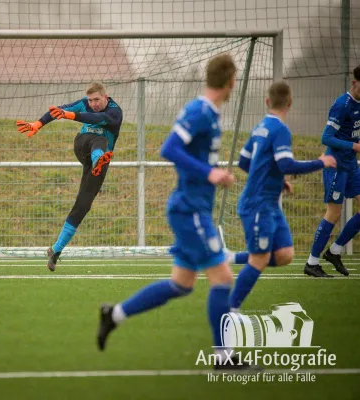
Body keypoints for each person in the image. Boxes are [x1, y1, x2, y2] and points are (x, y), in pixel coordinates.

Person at [96, 54, 246, 369]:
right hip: (190, 209)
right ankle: (224, 357)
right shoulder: (200, 111)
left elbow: (196, 157)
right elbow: (170, 149)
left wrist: (215, 172)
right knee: (222, 278)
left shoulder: (211, 113)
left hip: (193, 206)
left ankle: (115, 314)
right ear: (230, 80)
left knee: (181, 284)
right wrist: (209, 174)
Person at [228, 81, 336, 310]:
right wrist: (321, 162)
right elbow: (285, 163)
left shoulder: (260, 127)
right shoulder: (280, 130)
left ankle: (228, 258)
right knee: (259, 258)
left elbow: (244, 161)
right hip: (258, 203)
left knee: (285, 254)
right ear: (290, 103)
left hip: (270, 205)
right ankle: (231, 310)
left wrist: (277, 180)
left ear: (268, 102)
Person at [16, 82, 123, 271]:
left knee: (83, 205)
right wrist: (38, 123)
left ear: (106, 98)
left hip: (100, 162)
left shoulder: (115, 112)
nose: (93, 103)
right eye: (90, 100)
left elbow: (96, 118)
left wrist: (71, 115)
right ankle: (98, 158)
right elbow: (59, 111)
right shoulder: (83, 104)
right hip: (83, 147)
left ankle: (55, 250)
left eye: (97, 99)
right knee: (98, 139)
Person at [305, 65, 360, 278]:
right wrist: (353, 146)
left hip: (351, 165)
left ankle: (335, 251)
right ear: (354, 83)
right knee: (334, 213)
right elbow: (326, 137)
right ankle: (312, 263)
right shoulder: (341, 105)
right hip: (336, 165)